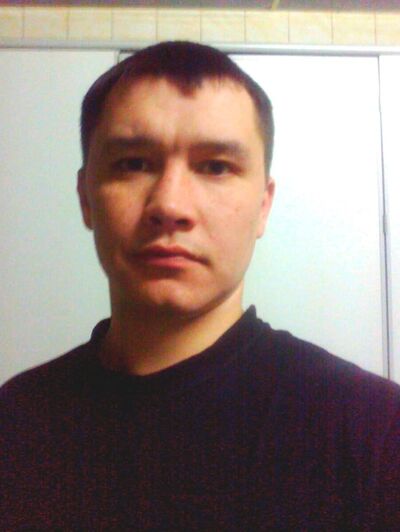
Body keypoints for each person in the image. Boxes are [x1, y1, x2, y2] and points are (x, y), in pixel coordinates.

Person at [1, 41, 399, 531]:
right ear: (86, 198)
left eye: (215, 167)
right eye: (133, 163)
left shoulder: (375, 431)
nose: (170, 206)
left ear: (263, 206)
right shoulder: (15, 420)